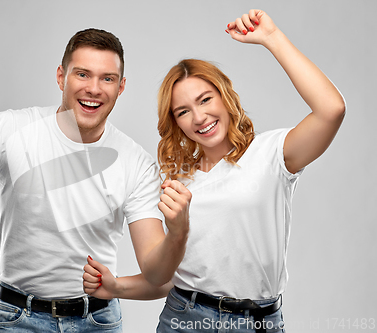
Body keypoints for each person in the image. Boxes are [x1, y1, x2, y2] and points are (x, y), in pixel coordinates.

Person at [0, 28, 191, 332]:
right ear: (60, 76)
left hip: (97, 321)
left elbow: (157, 276)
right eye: (82, 74)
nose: (94, 88)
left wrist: (179, 231)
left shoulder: (136, 163)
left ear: (121, 87)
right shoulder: (10, 129)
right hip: (18, 318)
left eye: (107, 78)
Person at [83, 10, 345, 332]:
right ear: (176, 122)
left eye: (205, 99)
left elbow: (331, 110)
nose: (199, 116)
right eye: (183, 111)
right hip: (184, 319)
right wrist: (116, 286)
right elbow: (170, 277)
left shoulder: (272, 154)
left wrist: (271, 38)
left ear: (225, 96)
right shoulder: (177, 181)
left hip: (259, 323)